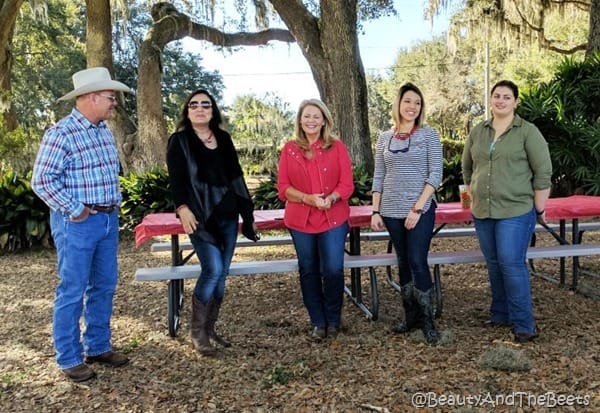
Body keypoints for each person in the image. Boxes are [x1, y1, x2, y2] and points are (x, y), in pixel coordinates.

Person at [31, 67, 132, 382]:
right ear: (90, 97)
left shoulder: (102, 129)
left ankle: (98, 346)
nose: (114, 101)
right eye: (109, 96)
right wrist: (75, 209)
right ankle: (69, 357)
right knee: (72, 290)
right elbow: (42, 180)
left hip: (107, 219)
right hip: (77, 223)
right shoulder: (60, 133)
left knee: (103, 285)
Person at [166, 89, 259, 356]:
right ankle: (197, 333)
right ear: (187, 111)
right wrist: (182, 208)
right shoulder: (179, 141)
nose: (199, 108)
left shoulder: (223, 138)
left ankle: (209, 329)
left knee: (222, 275)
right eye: (194, 105)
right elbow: (177, 180)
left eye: (205, 104)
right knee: (213, 269)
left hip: (228, 216)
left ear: (212, 110)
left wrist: (247, 214)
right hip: (199, 218)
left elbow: (235, 177)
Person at [462, 80, 552, 343]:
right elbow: (467, 168)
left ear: (515, 102)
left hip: (516, 210)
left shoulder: (527, 131)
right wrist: (472, 196)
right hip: (483, 211)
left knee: (511, 264)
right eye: (496, 96)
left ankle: (524, 324)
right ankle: (500, 314)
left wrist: (539, 207)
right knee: (494, 264)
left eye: (507, 97)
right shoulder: (479, 131)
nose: (501, 100)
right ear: (491, 99)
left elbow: (543, 171)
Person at [370, 82, 443, 344]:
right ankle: (410, 316)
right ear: (398, 104)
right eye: (408, 101)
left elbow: (436, 175)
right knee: (402, 262)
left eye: (417, 103)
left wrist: (417, 208)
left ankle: (427, 320)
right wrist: (375, 210)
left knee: (417, 259)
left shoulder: (429, 135)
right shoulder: (384, 138)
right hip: (390, 210)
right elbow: (379, 175)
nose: (412, 107)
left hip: (420, 209)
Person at [277, 99, 354, 341]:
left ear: (324, 121)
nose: (311, 120)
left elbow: (347, 184)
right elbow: (283, 188)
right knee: (308, 270)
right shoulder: (289, 149)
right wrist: (307, 199)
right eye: (307, 116)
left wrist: (332, 197)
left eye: (316, 116)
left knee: (332, 269)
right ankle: (318, 322)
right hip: (301, 220)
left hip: (333, 217)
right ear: (300, 120)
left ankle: (333, 319)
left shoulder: (337, 147)